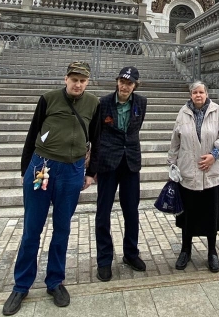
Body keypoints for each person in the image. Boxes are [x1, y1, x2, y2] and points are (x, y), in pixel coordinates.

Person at [3, 61, 99, 316]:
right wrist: (25, 170)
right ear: (65, 79)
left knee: (62, 229)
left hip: (72, 171)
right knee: (31, 229)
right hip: (42, 166)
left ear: (87, 82)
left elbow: (97, 139)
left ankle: (55, 281)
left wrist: (91, 172)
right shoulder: (48, 99)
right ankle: (21, 285)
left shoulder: (93, 103)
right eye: (74, 79)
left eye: (82, 81)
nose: (78, 84)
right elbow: (32, 133)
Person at [87, 66, 148, 282]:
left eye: (129, 83)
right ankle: (104, 260)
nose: (125, 86)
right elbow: (96, 134)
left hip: (130, 162)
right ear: (117, 82)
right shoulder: (103, 103)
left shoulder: (141, 102)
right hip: (107, 162)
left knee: (131, 210)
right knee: (103, 212)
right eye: (122, 82)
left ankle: (131, 253)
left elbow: (134, 130)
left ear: (135, 86)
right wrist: (92, 166)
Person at [167, 81, 219, 272]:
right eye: (195, 92)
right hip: (188, 173)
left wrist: (214, 155)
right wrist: (172, 164)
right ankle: (185, 250)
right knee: (188, 215)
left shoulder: (216, 111)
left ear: (206, 94)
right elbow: (175, 140)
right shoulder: (183, 112)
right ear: (191, 95)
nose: (198, 95)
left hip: (210, 173)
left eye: (201, 92)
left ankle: (212, 252)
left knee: (211, 215)